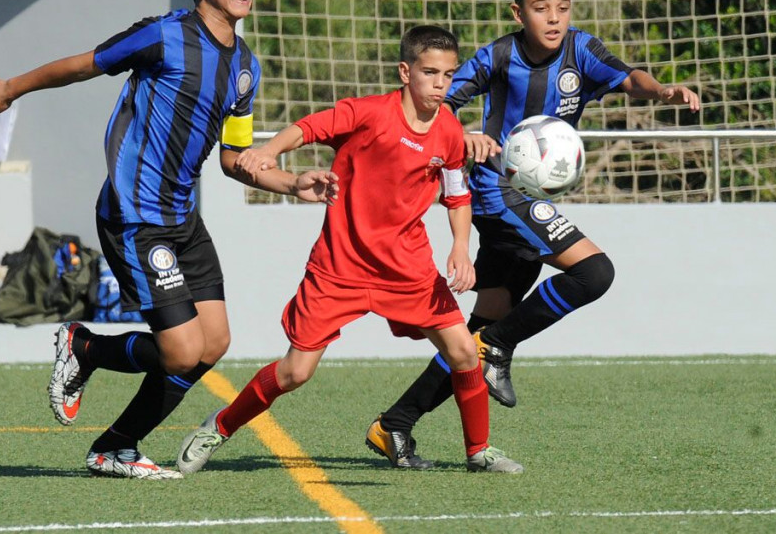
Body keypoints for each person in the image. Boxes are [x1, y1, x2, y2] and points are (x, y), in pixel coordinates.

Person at [0, 0, 338, 479]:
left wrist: (291, 184)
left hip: (182, 220)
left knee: (213, 343)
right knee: (178, 351)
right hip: (135, 217)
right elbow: (83, 64)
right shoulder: (163, 36)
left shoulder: (245, 65)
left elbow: (234, 157)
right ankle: (87, 350)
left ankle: (116, 447)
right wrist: (11, 88)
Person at [366, 0, 701, 467]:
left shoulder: (581, 49)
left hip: (531, 197)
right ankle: (499, 348)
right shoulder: (498, 55)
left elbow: (629, 77)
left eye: (562, 7)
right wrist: (465, 135)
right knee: (594, 273)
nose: (554, 18)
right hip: (498, 193)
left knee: (471, 337)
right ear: (518, 13)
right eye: (541, 8)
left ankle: (395, 424)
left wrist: (662, 91)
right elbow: (438, 102)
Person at [176, 25, 523, 475]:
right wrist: (269, 151)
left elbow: (457, 195)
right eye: (430, 73)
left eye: (449, 75)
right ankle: (217, 426)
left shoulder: (451, 133)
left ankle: (479, 450)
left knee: (462, 351)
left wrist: (460, 246)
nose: (441, 84)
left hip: (407, 268)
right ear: (405, 72)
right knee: (294, 373)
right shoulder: (368, 113)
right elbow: (309, 126)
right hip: (340, 266)